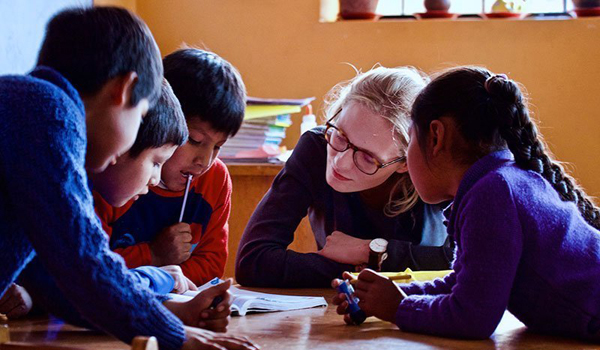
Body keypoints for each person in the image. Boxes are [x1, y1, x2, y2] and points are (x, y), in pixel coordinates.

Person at [0, 7, 256, 350]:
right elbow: (84, 261)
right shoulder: (48, 113)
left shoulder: (29, 108)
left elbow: (59, 284)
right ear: (124, 91)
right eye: (143, 114)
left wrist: (165, 315)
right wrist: (175, 337)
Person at [333, 66, 600, 341]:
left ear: (436, 137)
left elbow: (472, 317)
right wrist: (383, 294)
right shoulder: (498, 181)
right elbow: (465, 286)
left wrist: (397, 307)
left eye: (411, 138)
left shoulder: (493, 193)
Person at [236, 66, 452, 288]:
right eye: (340, 136)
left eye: (367, 158)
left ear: (404, 163)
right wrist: (368, 269)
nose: (340, 162)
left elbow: (467, 263)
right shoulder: (316, 148)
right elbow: (253, 261)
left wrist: (369, 250)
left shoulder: (436, 170)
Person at [95, 48, 246, 285]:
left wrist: (165, 280)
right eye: (194, 140)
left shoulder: (215, 179)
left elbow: (212, 264)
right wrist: (153, 256)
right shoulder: (116, 174)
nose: (204, 161)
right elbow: (88, 265)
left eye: (218, 147)